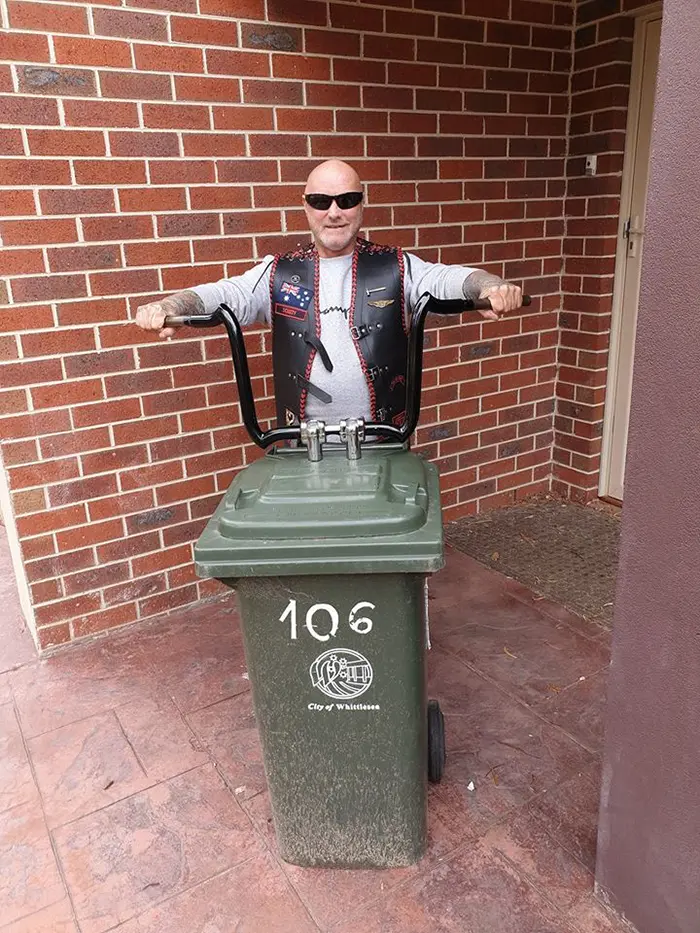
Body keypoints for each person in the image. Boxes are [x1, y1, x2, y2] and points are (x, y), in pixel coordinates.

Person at [135, 159, 523, 429]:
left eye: (347, 200)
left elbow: (447, 279)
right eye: (321, 202)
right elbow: (224, 294)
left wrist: (488, 287)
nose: (334, 212)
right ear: (305, 207)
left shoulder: (396, 266)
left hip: (383, 438)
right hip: (298, 439)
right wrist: (172, 307)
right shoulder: (278, 271)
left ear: (361, 205)